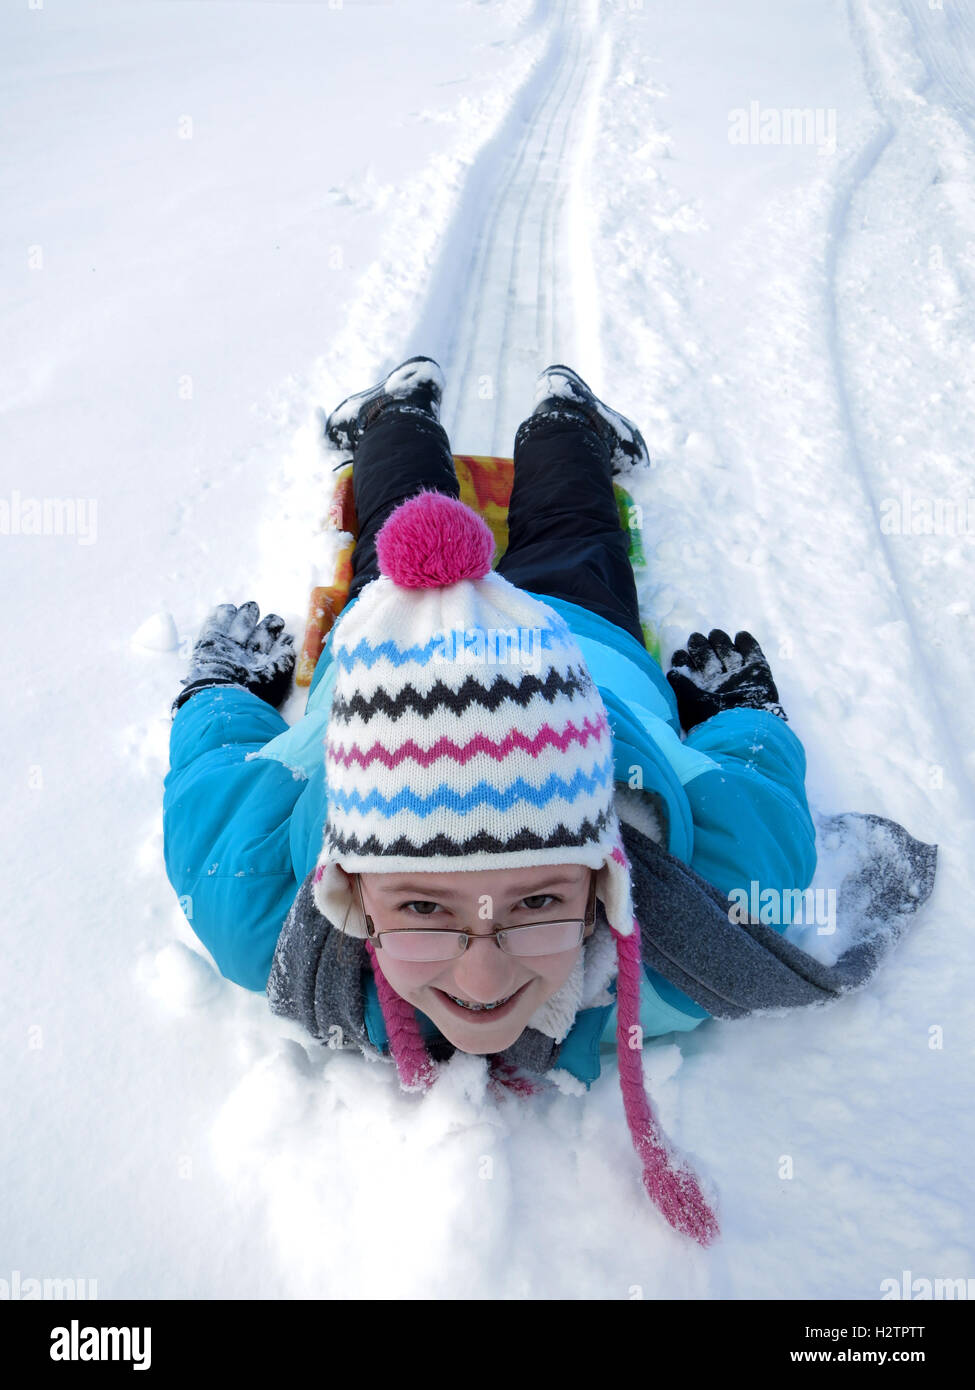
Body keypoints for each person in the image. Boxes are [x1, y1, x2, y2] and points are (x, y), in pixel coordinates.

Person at [163, 357, 934, 1245]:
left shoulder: (701, 896)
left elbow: (753, 804)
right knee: (410, 525)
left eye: (537, 903)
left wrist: (217, 694)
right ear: (346, 889)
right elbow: (207, 801)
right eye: (420, 906)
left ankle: (561, 422)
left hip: (582, 650)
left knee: (568, 528)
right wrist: (741, 713)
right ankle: (398, 416)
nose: (484, 980)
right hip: (415, 637)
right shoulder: (257, 894)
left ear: (608, 878)